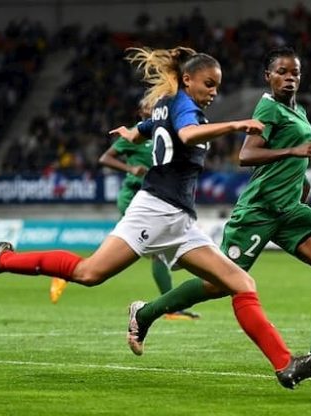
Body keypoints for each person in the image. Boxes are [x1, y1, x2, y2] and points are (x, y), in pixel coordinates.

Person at [0, 46, 311, 389]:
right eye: (209, 84)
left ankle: (285, 365)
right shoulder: (184, 108)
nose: (214, 92)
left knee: (242, 284)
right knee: (89, 274)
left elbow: (146, 130)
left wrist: (132, 133)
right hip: (153, 210)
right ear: (188, 80)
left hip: (181, 221)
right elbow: (185, 134)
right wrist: (235, 125)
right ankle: (3, 259)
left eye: (217, 85)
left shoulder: (165, 105)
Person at [126, 46, 311, 368]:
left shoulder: (297, 111)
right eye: (281, 73)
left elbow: (287, 157)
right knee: (218, 284)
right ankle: (145, 313)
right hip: (257, 212)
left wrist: (301, 181)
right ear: (267, 76)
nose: (289, 79)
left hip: (290, 208)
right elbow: (247, 156)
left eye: (294, 73)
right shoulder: (268, 109)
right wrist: (295, 152)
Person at [50, 99, 200, 320]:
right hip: (134, 198)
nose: (154, 108)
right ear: (141, 111)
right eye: (149, 106)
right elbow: (105, 158)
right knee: (152, 255)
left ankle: (67, 271)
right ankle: (65, 272)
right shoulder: (135, 135)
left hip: (155, 201)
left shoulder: (161, 131)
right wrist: (130, 168)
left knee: (144, 255)